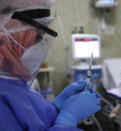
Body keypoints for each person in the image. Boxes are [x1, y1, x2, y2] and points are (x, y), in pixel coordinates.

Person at [0, 0, 101, 131]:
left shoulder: (11, 81)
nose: (39, 46)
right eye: (38, 37)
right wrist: (67, 119)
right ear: (8, 31)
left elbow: (31, 120)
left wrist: (55, 107)